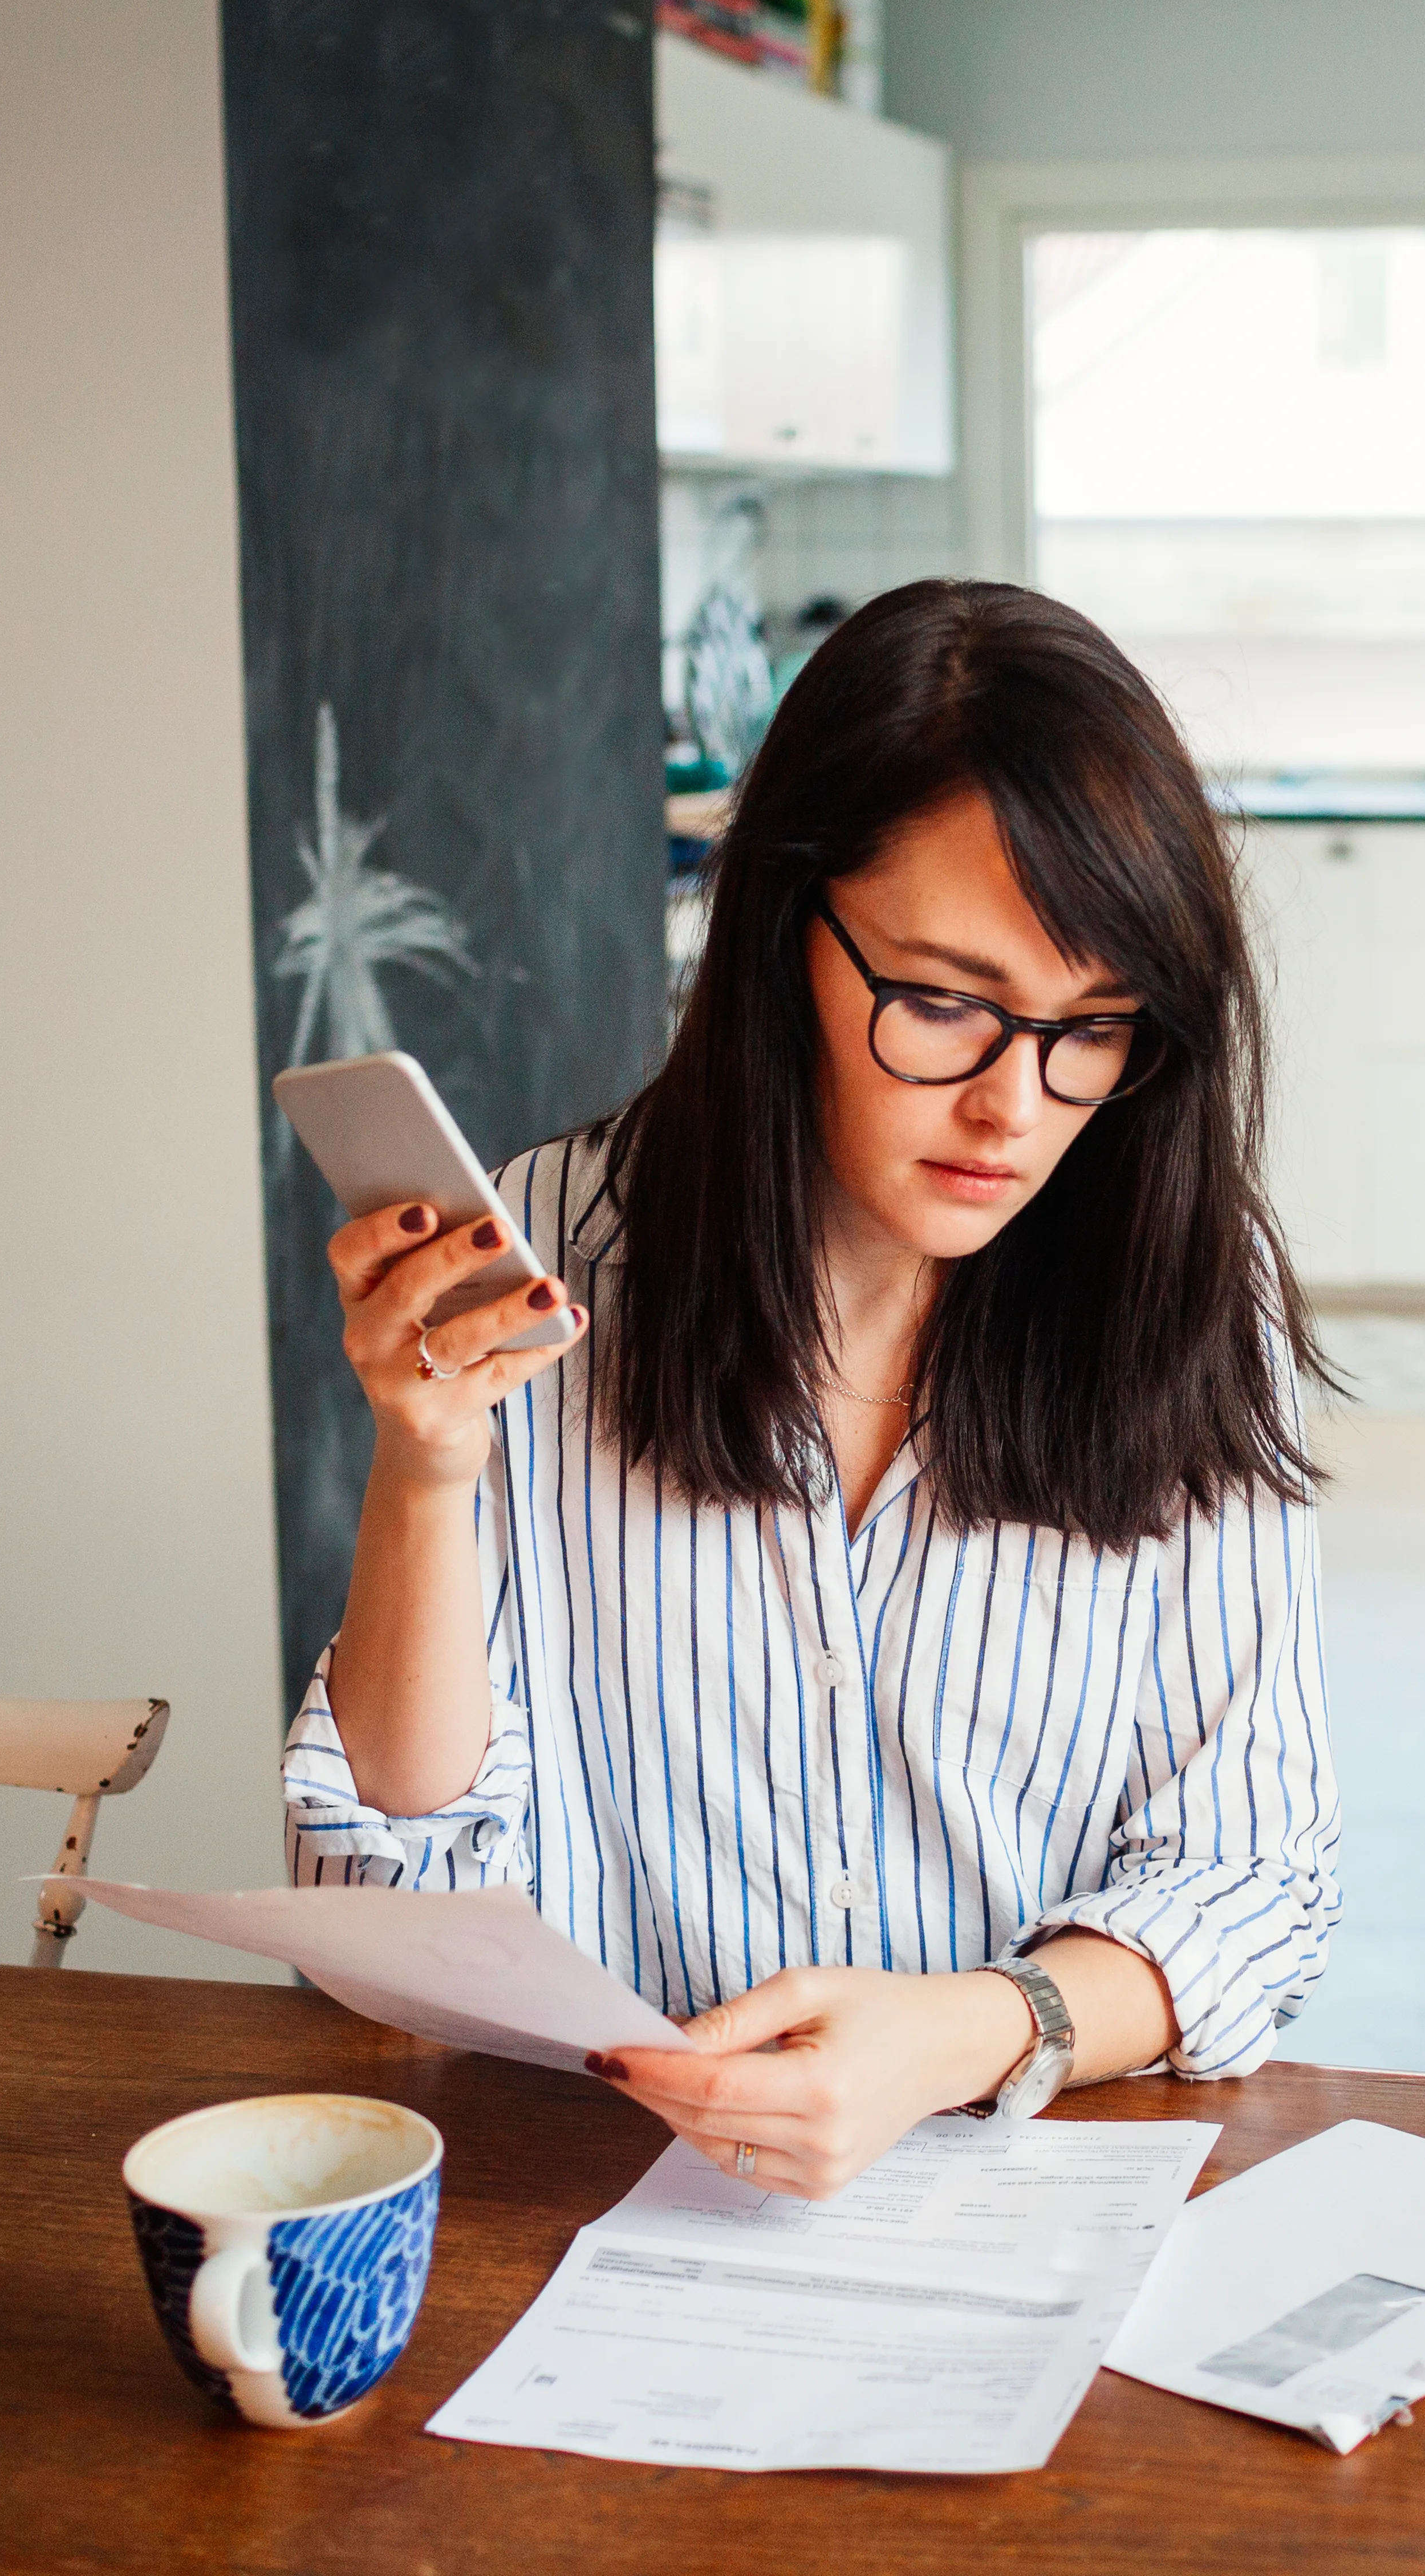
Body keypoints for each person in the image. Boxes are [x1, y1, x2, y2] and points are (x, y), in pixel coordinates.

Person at [282, 579, 1339, 2199]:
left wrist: (974, 2029)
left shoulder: (1189, 1300)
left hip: (1032, 2189)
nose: (1014, 1108)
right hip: (605, 2198)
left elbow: (1253, 1875)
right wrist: (423, 1473)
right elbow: (386, 1896)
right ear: (785, 934)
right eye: (943, 1002)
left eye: (1093, 1029)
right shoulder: (557, 1254)